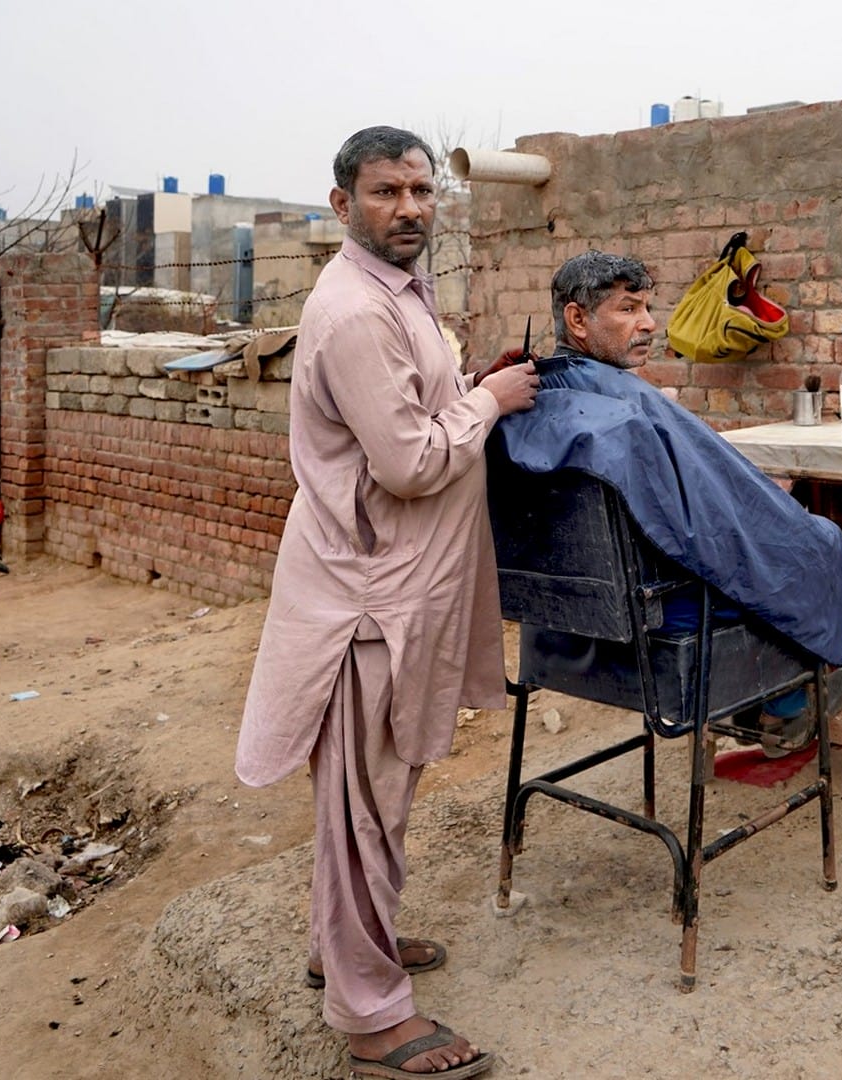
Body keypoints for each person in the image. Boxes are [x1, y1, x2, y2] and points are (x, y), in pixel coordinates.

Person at [237, 126, 538, 1080]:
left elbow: (410, 412)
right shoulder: (357, 311)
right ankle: (369, 1017)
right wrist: (491, 402)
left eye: (420, 190)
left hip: (394, 591)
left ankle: (343, 948)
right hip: (367, 603)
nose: (408, 209)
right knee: (363, 803)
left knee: (371, 794)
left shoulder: (399, 290)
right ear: (342, 205)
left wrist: (469, 385)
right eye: (385, 193)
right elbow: (408, 463)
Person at [492, 251, 842, 750]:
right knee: (812, 544)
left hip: (560, 618)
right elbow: (702, 531)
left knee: (769, 543)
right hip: (652, 610)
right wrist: (765, 507)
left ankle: (767, 702)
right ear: (577, 319)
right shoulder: (620, 417)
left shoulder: (517, 400)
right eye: (628, 309)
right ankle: (785, 703)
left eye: (647, 308)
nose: (649, 323)